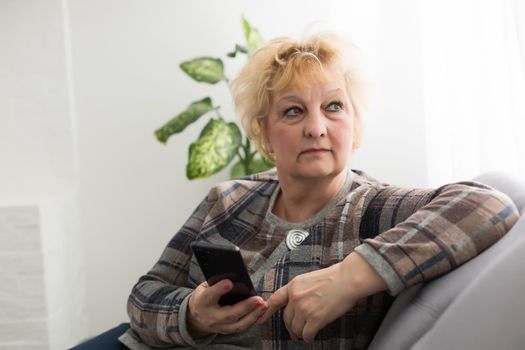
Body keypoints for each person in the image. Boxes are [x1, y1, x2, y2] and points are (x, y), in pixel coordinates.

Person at [114, 33, 519, 349]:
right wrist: (192, 315)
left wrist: (350, 277)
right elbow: (144, 296)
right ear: (265, 134)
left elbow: (490, 204)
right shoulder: (229, 198)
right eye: (293, 111)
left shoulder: (373, 207)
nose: (316, 128)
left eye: (334, 107)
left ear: (354, 124)